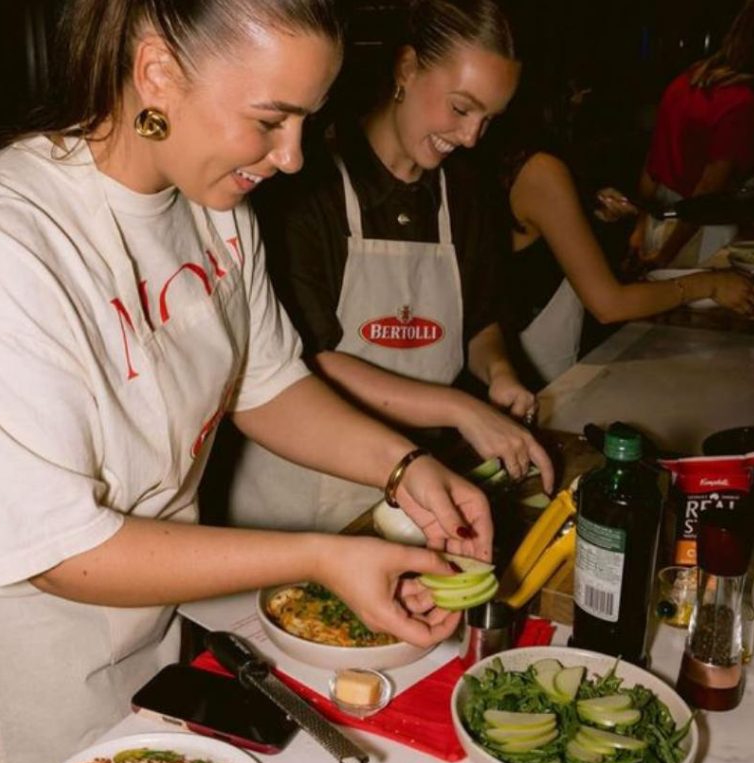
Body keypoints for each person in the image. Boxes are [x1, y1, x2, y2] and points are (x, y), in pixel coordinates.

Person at [0, 0, 494, 763]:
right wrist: (320, 557)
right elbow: (60, 552)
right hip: (21, 640)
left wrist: (404, 466)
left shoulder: (217, 215)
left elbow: (269, 383)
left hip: (153, 597)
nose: (291, 158)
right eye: (271, 120)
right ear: (158, 74)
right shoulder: (2, 241)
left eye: (305, 123)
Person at [225, 0, 553, 534]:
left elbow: (480, 322)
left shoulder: (464, 191)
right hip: (300, 496)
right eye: (461, 108)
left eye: (488, 120)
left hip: (415, 495)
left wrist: (499, 374)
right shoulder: (307, 186)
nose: (470, 137)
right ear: (406, 69)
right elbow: (304, 360)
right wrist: (462, 410)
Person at [484, 73, 754, 387]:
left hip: (509, 357)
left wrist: (593, 213)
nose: (581, 97)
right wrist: (710, 284)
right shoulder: (540, 169)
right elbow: (609, 304)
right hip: (532, 368)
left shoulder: (503, 159)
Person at [629, 0, 754, 268]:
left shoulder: (688, 80)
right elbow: (707, 193)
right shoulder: (742, 103)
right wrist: (666, 255)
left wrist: (640, 227)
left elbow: (653, 164)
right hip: (696, 235)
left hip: (659, 223)